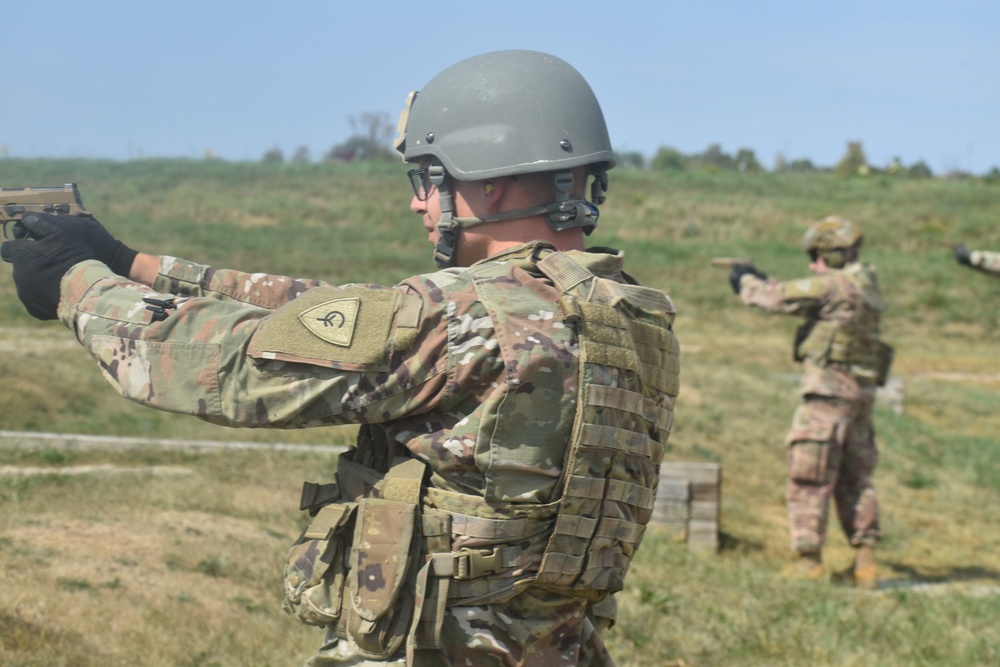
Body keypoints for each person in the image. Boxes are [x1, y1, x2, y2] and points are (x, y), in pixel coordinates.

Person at [1, 49, 680, 666]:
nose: (419, 200)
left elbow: (220, 364)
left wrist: (75, 283)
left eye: (428, 176)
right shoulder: (630, 315)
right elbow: (338, 313)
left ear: (488, 184)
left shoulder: (460, 319)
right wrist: (137, 265)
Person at [727, 216, 888, 590]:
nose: (813, 263)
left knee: (809, 476)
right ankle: (866, 563)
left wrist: (745, 280)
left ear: (833, 254)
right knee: (856, 478)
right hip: (860, 394)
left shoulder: (833, 285)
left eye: (817, 255)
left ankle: (808, 560)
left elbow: (777, 297)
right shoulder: (867, 284)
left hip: (828, 393)